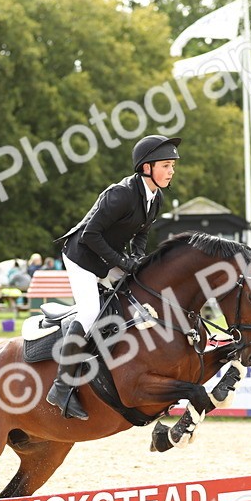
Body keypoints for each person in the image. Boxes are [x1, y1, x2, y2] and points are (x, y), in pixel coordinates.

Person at [47, 134, 180, 419]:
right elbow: (90, 235)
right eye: (166, 165)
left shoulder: (156, 198)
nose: (171, 171)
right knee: (90, 311)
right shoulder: (120, 194)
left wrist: (138, 260)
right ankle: (61, 386)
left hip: (107, 256)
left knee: (141, 290)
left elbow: (142, 233)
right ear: (146, 167)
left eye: (172, 166)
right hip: (81, 256)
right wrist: (121, 262)